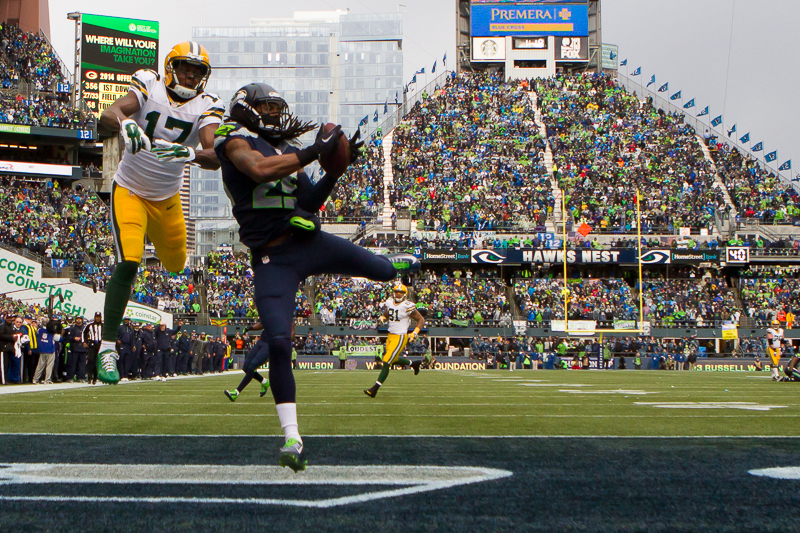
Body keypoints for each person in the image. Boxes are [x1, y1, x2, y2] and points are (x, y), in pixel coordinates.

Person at [214, 82, 417, 471]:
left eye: (277, 108)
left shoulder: (289, 151)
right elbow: (257, 170)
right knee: (277, 341)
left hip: (308, 241)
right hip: (274, 257)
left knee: (382, 270)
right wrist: (314, 152)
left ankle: (395, 264)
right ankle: (292, 436)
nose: (276, 114)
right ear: (248, 108)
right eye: (268, 108)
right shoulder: (236, 142)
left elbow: (308, 201)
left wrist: (335, 171)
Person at [96, 41, 224, 384]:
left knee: (176, 264)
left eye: (197, 71)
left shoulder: (207, 105)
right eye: (185, 67)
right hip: (130, 190)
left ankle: (109, 346)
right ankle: (108, 348)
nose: (191, 75)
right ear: (170, 67)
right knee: (129, 260)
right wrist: (125, 123)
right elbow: (108, 113)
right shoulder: (149, 84)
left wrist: (189, 154)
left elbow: (214, 155)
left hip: (167, 200)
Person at [364, 284, 425, 398]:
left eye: (400, 292)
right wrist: (383, 318)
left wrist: (415, 332)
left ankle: (374, 389)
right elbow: (388, 313)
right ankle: (413, 364)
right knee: (393, 359)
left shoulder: (407, 305)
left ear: (405, 294)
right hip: (390, 335)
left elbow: (421, 319)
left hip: (400, 336)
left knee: (387, 361)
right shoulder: (390, 302)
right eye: (396, 292)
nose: (398, 294)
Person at [224, 321, 273, 401]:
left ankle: (236, 392)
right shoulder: (269, 310)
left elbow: (291, 333)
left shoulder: (284, 314)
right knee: (246, 367)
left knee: (252, 367)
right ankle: (264, 382)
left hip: (270, 345)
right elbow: (262, 323)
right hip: (261, 341)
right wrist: (250, 327)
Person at [33, 319, 60, 384]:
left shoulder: (39, 330)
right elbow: (57, 339)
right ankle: (47, 379)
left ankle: (35, 379)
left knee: (40, 365)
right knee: (49, 365)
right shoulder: (53, 332)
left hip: (42, 349)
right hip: (50, 350)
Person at [65, 316, 88, 382]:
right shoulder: (72, 328)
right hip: (74, 348)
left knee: (82, 364)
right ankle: (70, 377)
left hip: (83, 349)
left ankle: (81, 377)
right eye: (77, 319)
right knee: (73, 364)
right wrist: (74, 338)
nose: (78, 320)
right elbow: (68, 338)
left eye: (80, 319)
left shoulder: (84, 328)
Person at [84, 312, 103, 385]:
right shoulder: (90, 325)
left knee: (97, 361)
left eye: (99, 317)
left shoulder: (103, 326)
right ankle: (89, 377)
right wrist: (84, 341)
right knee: (90, 360)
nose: (98, 318)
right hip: (92, 344)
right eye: (96, 317)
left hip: (100, 344)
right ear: (94, 317)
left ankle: (95, 377)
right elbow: (84, 333)